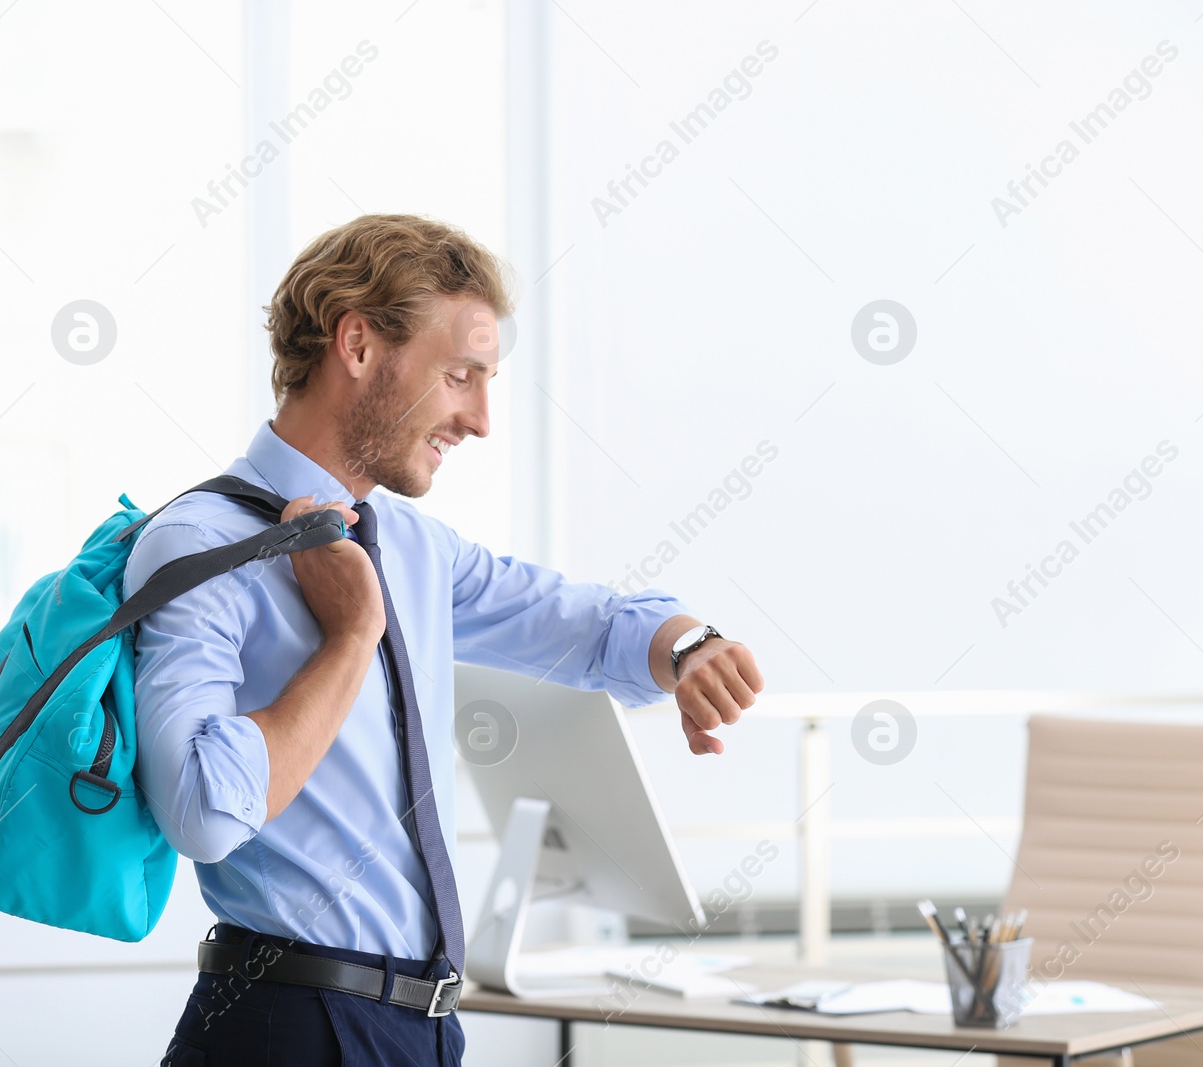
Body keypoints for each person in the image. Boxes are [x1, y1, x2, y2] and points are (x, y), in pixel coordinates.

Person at [126, 214, 765, 1066]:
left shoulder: (415, 548)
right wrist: (352, 636)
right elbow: (202, 810)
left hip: (420, 1030)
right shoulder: (199, 543)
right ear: (357, 345)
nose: (482, 419)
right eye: (461, 376)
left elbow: (588, 624)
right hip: (285, 1026)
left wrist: (690, 647)